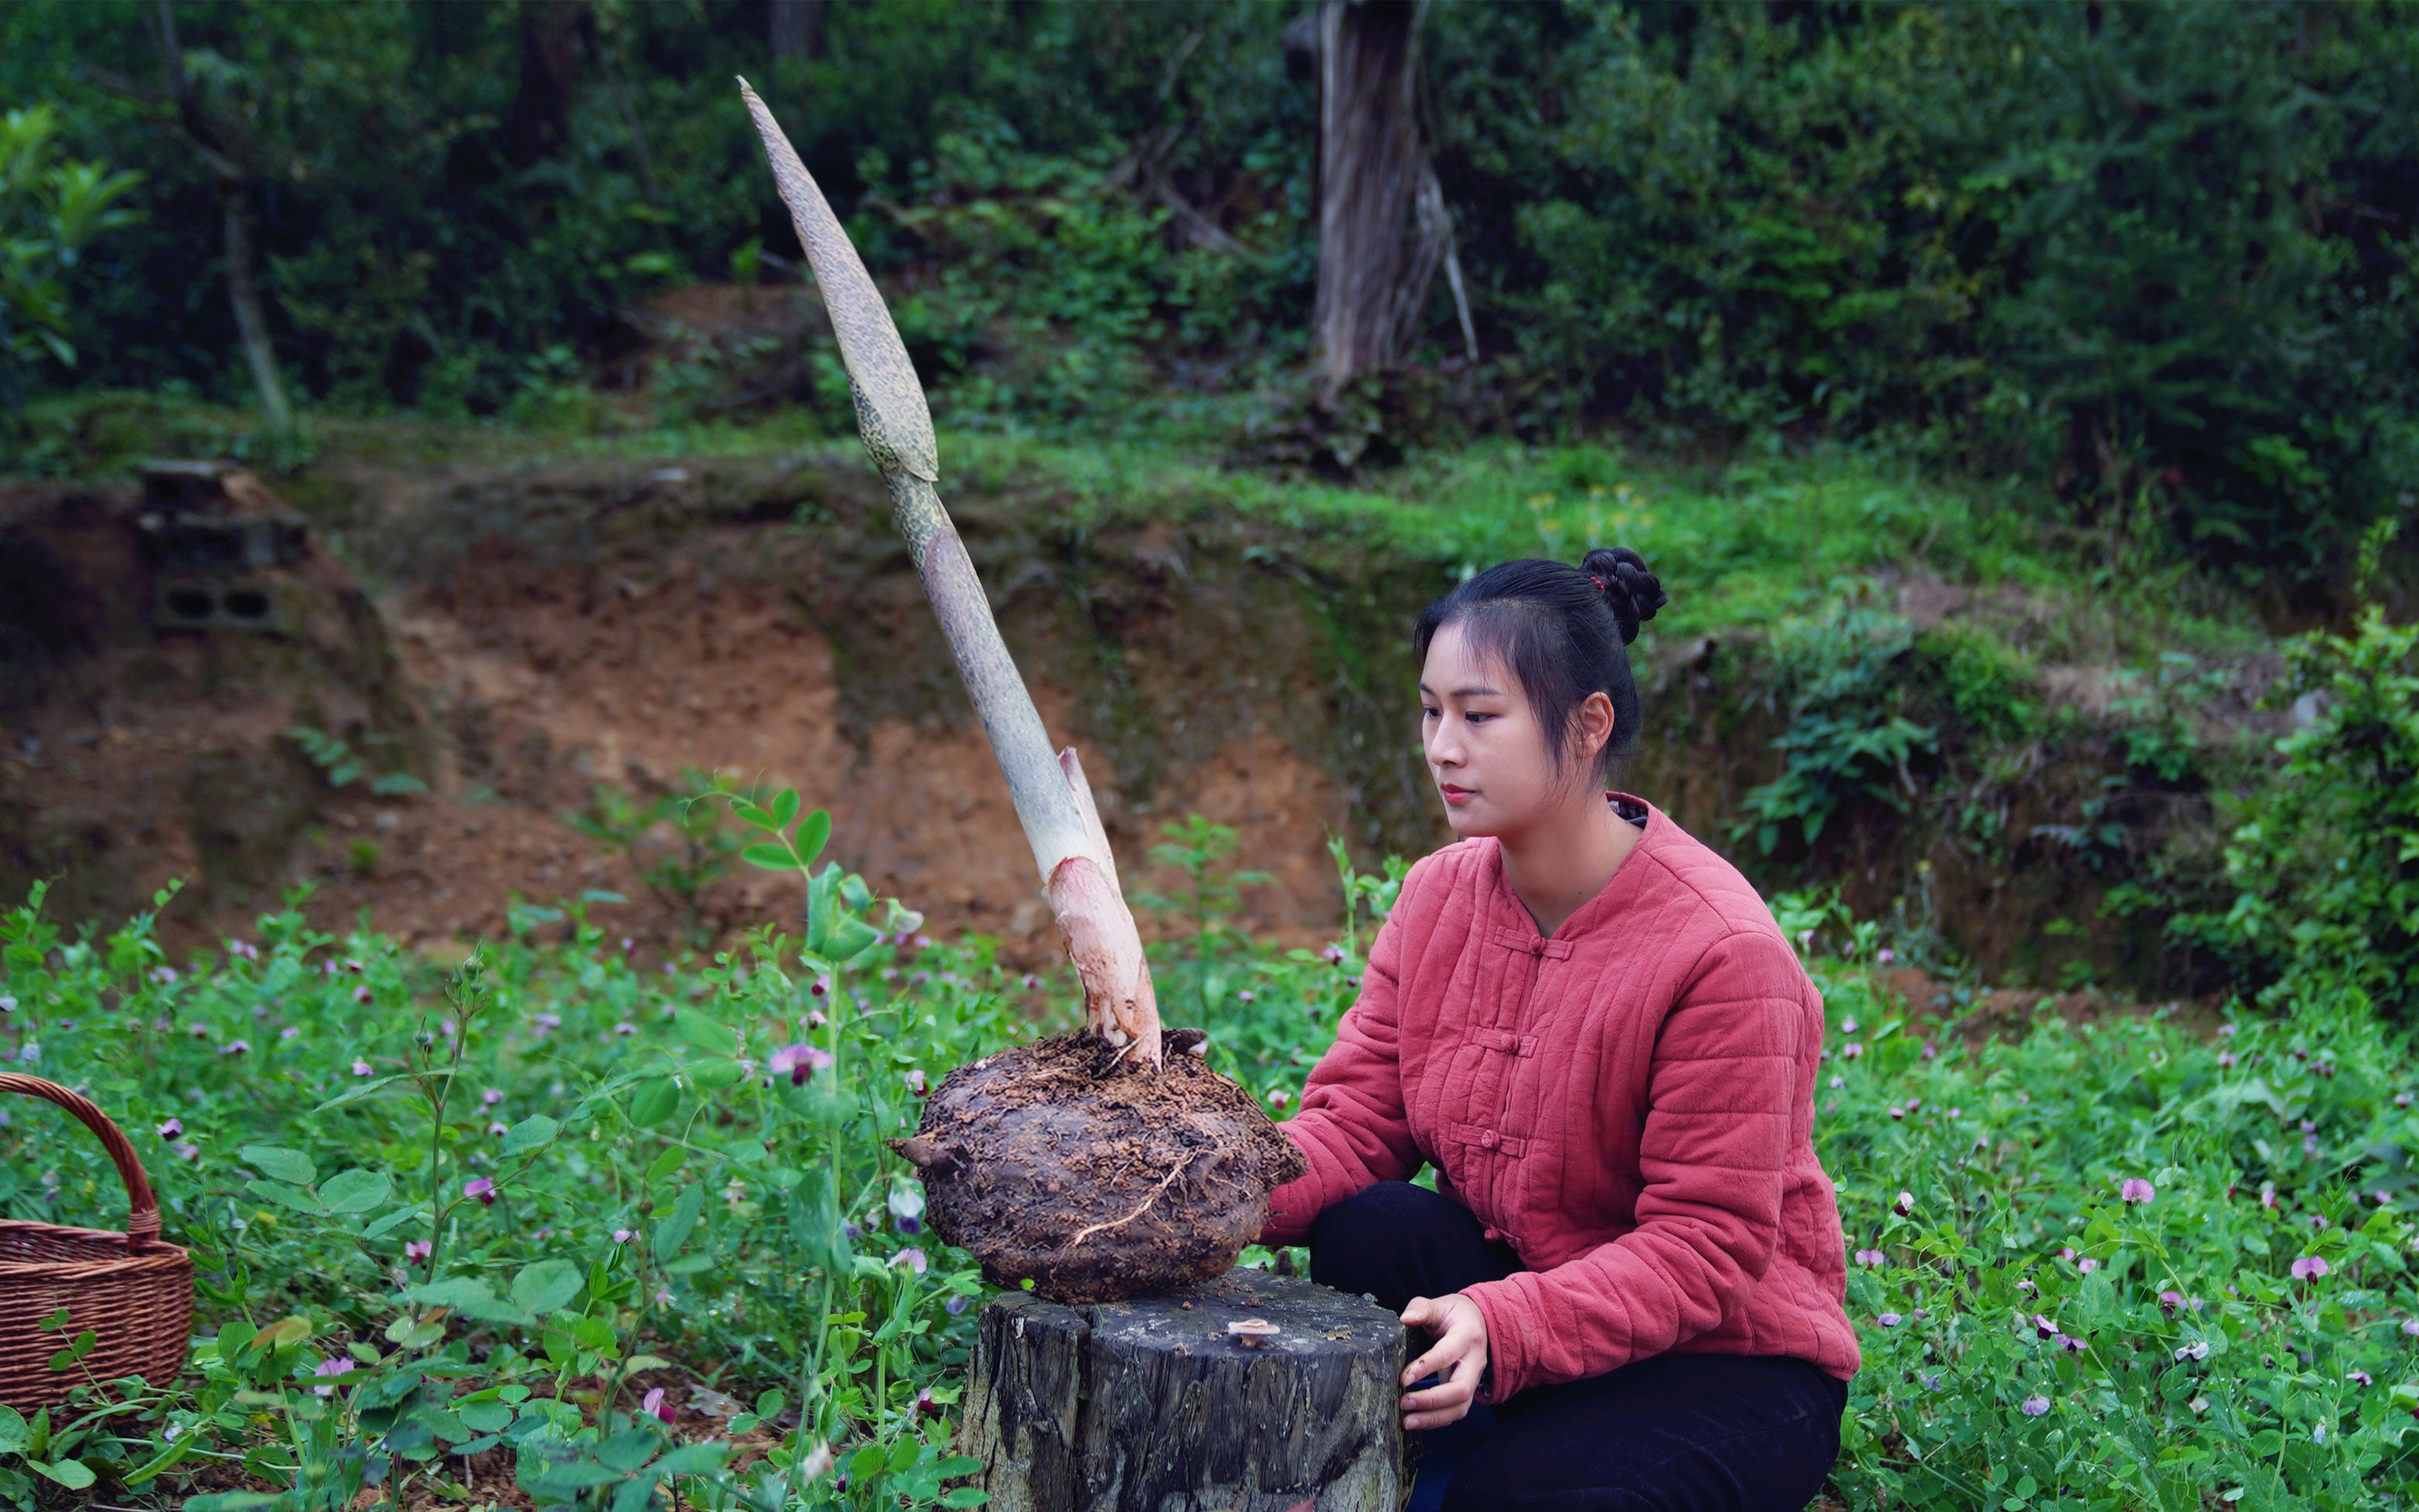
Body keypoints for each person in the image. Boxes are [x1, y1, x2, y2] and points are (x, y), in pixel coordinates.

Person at [1255, 547, 1859, 1511]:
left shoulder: (1724, 953)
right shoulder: (1436, 895)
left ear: (1588, 726)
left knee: (1511, 1497)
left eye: (1480, 716)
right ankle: (1513, 1444)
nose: (1443, 746)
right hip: (1530, 1307)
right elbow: (1360, 1124)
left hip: (1729, 1367)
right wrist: (1204, 1186)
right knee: (1370, 1227)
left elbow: (1706, 1246)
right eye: (1430, 710)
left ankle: (1527, 1462)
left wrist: (1508, 1326)